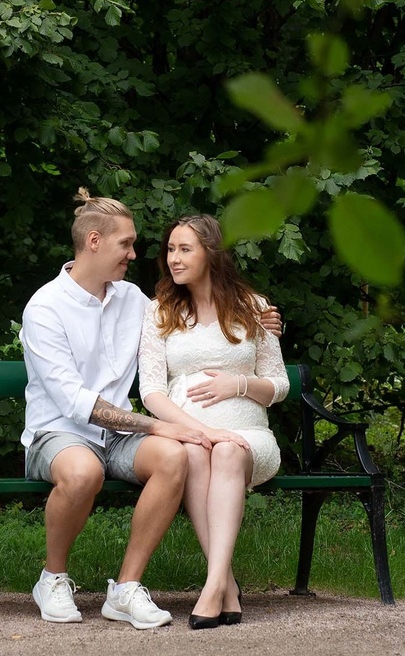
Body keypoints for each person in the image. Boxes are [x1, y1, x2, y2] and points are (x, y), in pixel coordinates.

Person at [20, 190, 281, 630]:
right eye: (126, 243)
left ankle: (125, 588)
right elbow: (75, 402)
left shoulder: (133, 301)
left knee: (175, 456)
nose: (134, 254)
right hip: (60, 433)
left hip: (120, 438)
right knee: (84, 472)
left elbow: (191, 324)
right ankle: (53, 578)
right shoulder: (45, 308)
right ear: (95, 241)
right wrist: (160, 426)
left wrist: (263, 322)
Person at [137, 214, 290, 630]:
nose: (174, 258)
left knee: (226, 452)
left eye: (185, 249)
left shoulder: (254, 308)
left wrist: (237, 384)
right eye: (170, 249)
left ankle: (214, 584)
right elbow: (151, 392)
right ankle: (223, 585)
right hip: (191, 437)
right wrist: (202, 431)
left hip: (248, 437)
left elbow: (279, 385)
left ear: (211, 253)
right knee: (198, 452)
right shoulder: (160, 311)